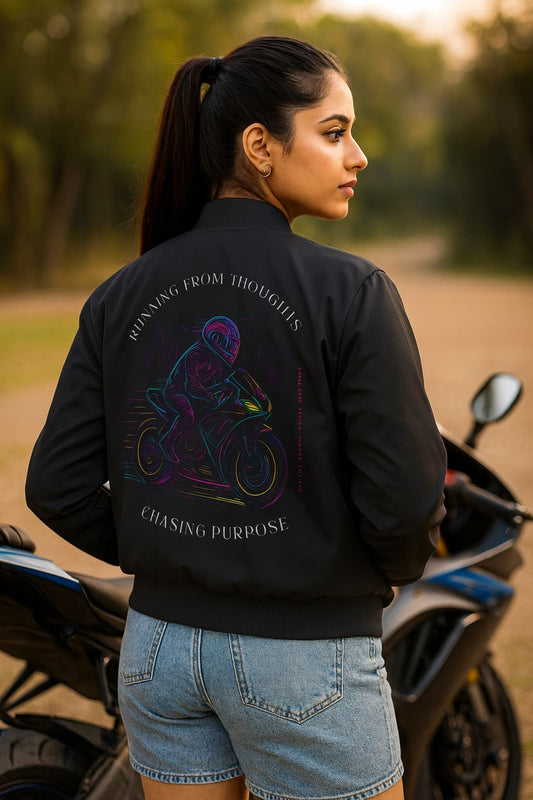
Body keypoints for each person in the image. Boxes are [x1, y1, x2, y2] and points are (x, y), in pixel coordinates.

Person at [26, 35, 447, 800]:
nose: (357, 156)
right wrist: (349, 572)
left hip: (157, 649)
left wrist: (166, 547)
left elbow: (55, 483)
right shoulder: (350, 291)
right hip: (305, 651)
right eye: (333, 131)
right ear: (260, 145)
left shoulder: (121, 292)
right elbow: (406, 501)